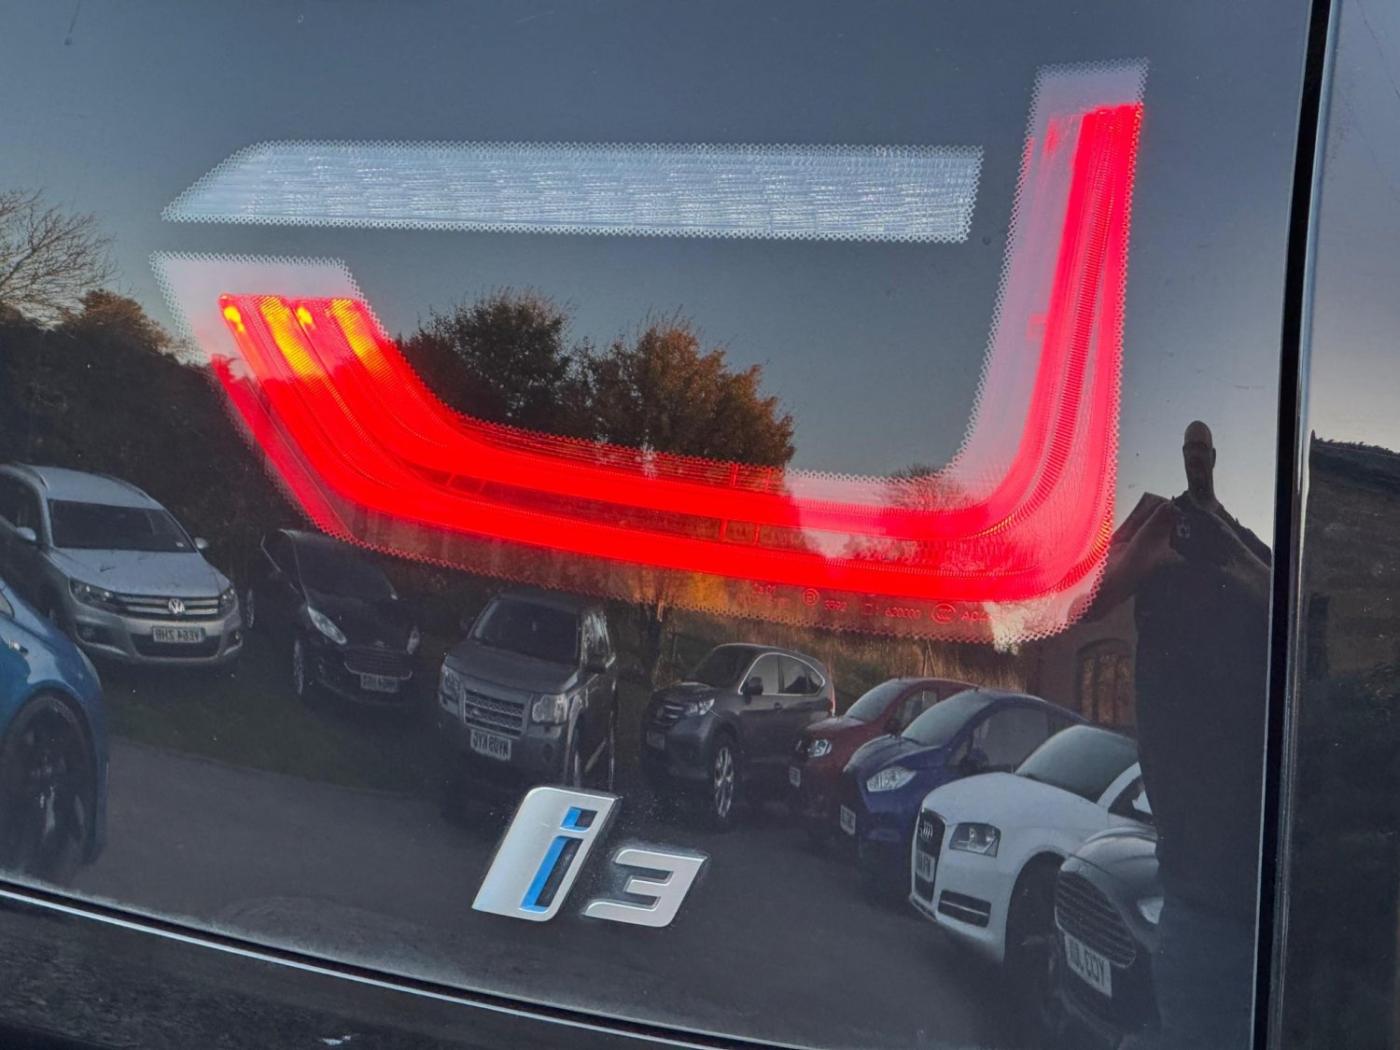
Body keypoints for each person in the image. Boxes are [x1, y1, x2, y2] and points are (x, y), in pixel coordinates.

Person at [1093, 420, 1271, 1049]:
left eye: (1203, 450)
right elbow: (1078, 599)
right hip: (1204, 894)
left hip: (1269, 881)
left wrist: (1244, 570)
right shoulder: (1159, 525)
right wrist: (1131, 563)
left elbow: (1298, 620)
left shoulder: (1244, 544)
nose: (1196, 460)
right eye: (1189, 450)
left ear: (1214, 457)